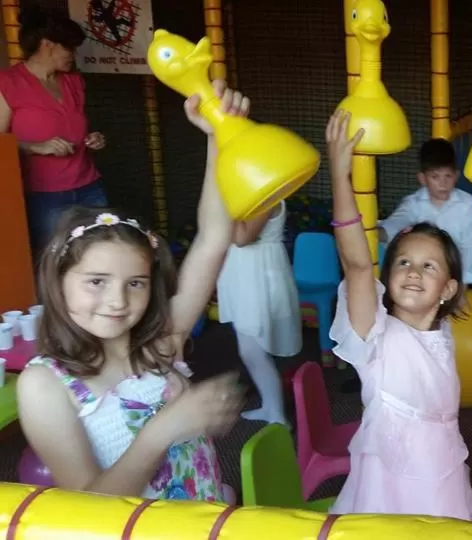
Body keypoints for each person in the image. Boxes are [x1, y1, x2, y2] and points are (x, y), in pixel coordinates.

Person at [15, 81, 249, 501]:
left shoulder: (160, 344)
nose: (118, 301)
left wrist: (219, 136)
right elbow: (91, 507)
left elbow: (214, 235)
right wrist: (165, 428)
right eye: (96, 282)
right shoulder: (44, 385)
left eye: (135, 283)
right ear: (59, 281)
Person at [324, 109, 472, 522]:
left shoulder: (441, 329)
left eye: (429, 266)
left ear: (448, 288)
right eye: (403, 263)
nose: (414, 272)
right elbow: (359, 266)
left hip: (442, 474)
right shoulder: (375, 333)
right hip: (386, 484)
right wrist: (340, 179)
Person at [376, 138, 472, 385]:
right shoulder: (413, 204)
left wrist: (462, 288)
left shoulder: (466, 204)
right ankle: (379, 361)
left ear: (456, 175)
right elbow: (396, 223)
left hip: (463, 265)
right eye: (435, 177)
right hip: (429, 269)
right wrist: (377, 232)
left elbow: (469, 247)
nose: (443, 183)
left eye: (448, 176)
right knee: (387, 296)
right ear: (423, 178)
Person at [0, 6, 108, 252]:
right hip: (44, 195)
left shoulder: (74, 81)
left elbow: (79, 127)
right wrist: (35, 147)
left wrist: (94, 138)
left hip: (89, 186)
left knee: (98, 253)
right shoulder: (8, 83)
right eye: (68, 47)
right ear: (47, 45)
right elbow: (0, 144)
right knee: (54, 259)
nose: (73, 55)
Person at [216, 200, 301, 426]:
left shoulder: (266, 196)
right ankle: (270, 407)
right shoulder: (253, 195)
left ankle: (278, 416)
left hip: (258, 277)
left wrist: (222, 207)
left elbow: (243, 237)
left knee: (254, 350)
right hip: (248, 274)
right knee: (251, 350)